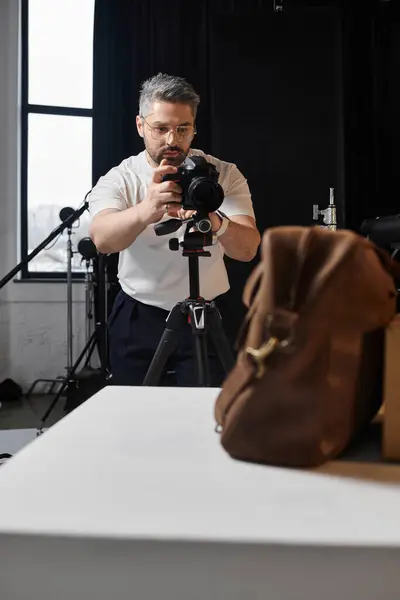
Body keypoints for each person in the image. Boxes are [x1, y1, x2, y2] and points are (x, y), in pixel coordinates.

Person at [88, 73, 260, 387]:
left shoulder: (223, 174)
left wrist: (214, 220)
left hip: (208, 312)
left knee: (203, 417)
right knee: (135, 413)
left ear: (194, 127)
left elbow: (247, 249)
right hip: (140, 313)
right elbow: (102, 239)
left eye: (183, 129)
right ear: (141, 125)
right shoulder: (121, 178)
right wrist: (147, 209)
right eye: (161, 128)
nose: (172, 140)